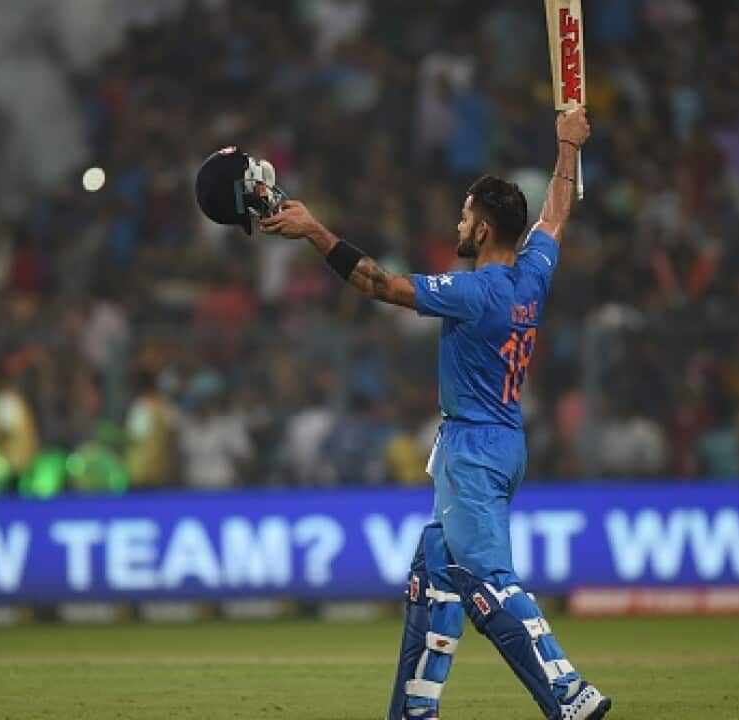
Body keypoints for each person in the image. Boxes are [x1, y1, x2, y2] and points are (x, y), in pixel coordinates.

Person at [260, 108, 610, 720]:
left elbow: (379, 284)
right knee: (433, 582)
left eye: (465, 214)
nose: (458, 222)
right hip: (498, 440)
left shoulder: (474, 291)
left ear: (484, 228)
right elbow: (556, 212)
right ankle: (413, 712)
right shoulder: (532, 276)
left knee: (489, 583)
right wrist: (568, 147)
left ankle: (568, 692)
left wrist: (317, 232)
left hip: (473, 448)